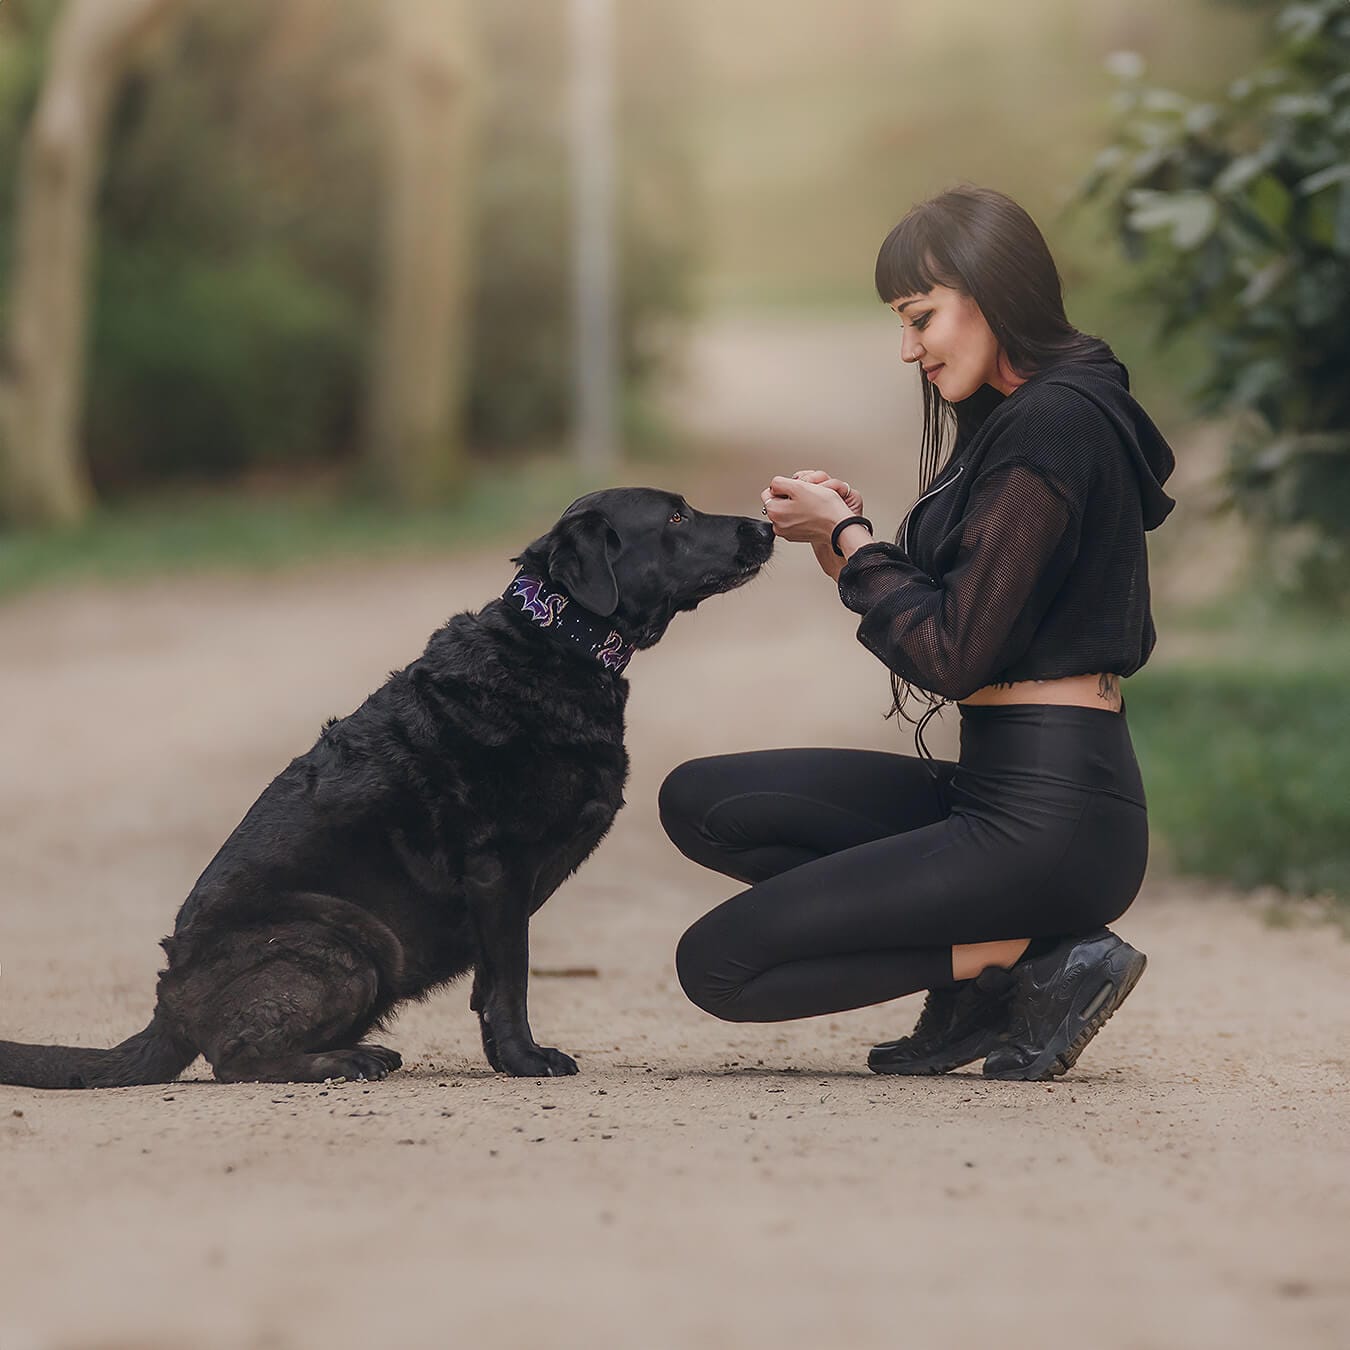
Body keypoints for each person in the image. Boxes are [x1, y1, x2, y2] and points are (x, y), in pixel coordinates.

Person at [658, 184, 1177, 1081]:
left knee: (719, 967)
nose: (910, 348)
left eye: (921, 317)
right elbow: (947, 613)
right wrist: (838, 541)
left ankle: (1013, 959)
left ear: (993, 292)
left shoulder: (1057, 420)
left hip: (1054, 816)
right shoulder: (1015, 422)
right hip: (996, 789)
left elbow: (951, 653)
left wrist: (856, 541)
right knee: (702, 801)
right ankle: (999, 961)